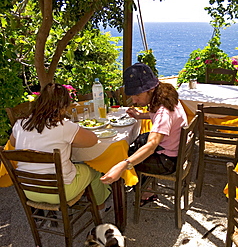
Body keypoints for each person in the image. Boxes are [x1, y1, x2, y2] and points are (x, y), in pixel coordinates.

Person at [9, 83, 111, 212]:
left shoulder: (21, 124)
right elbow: (92, 140)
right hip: (60, 193)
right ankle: (100, 207)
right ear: (63, 106)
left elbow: (12, 143)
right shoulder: (63, 126)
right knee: (94, 170)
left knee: (68, 165)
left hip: (28, 190)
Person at [100, 63, 188, 205]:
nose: (134, 100)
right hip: (175, 150)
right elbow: (161, 119)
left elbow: (152, 145)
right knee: (138, 142)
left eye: (137, 95)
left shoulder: (163, 113)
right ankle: (142, 186)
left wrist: (123, 165)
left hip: (167, 161)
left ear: (151, 89)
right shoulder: (165, 94)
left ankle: (143, 194)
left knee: (124, 157)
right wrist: (141, 116)